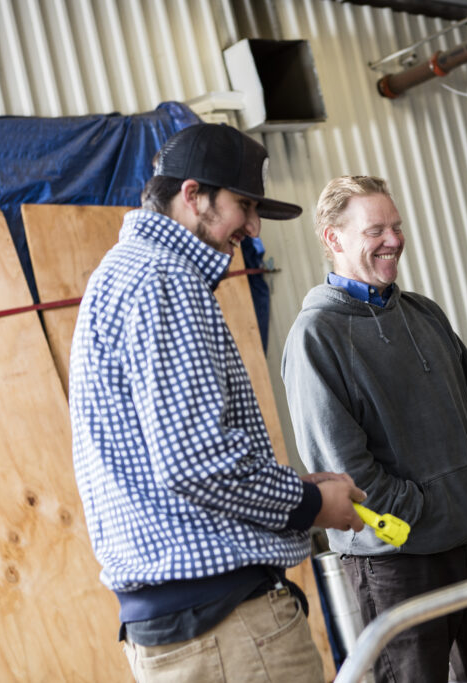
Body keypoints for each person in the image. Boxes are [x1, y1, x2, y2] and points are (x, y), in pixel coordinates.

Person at [69, 123, 367, 683]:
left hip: (184, 629)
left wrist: (301, 492)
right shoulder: (165, 280)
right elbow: (197, 460)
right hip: (224, 631)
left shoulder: (121, 274)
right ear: (192, 195)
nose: (253, 228)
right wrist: (311, 506)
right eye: (244, 206)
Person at [281, 175, 467, 682]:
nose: (393, 239)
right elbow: (344, 467)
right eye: (375, 230)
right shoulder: (316, 336)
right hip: (397, 562)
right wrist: (424, 513)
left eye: (396, 226)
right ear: (333, 238)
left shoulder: (424, 314)